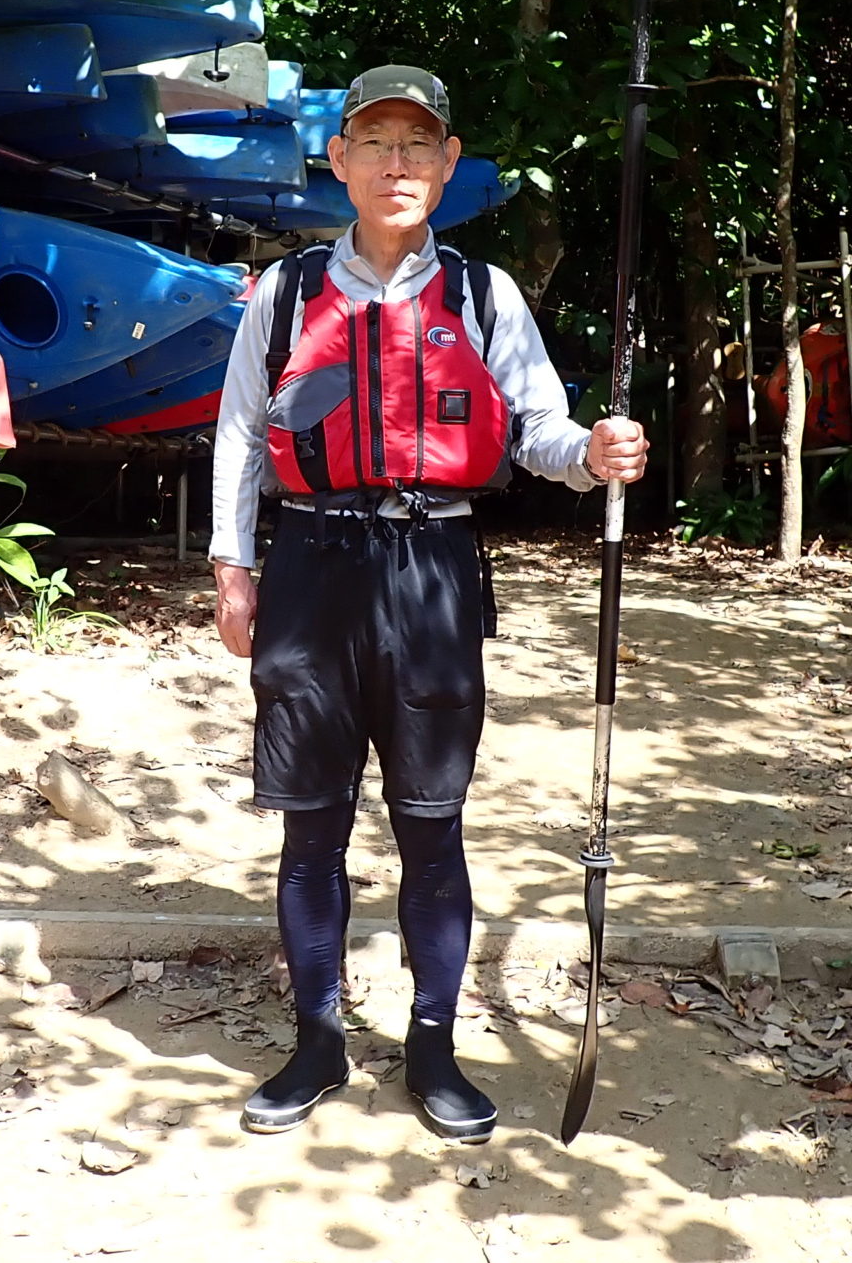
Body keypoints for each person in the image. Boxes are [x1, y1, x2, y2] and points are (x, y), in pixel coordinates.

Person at [209, 63, 648, 1142]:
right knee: (309, 828)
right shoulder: (284, 294)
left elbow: (539, 431)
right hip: (309, 569)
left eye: (419, 145)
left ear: (448, 165)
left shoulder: (483, 296)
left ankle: (434, 1043)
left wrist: (592, 454)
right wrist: (233, 566)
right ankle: (316, 1041)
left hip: (433, 573)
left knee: (430, 828)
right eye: (375, 143)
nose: (397, 164)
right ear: (340, 163)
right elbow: (236, 438)